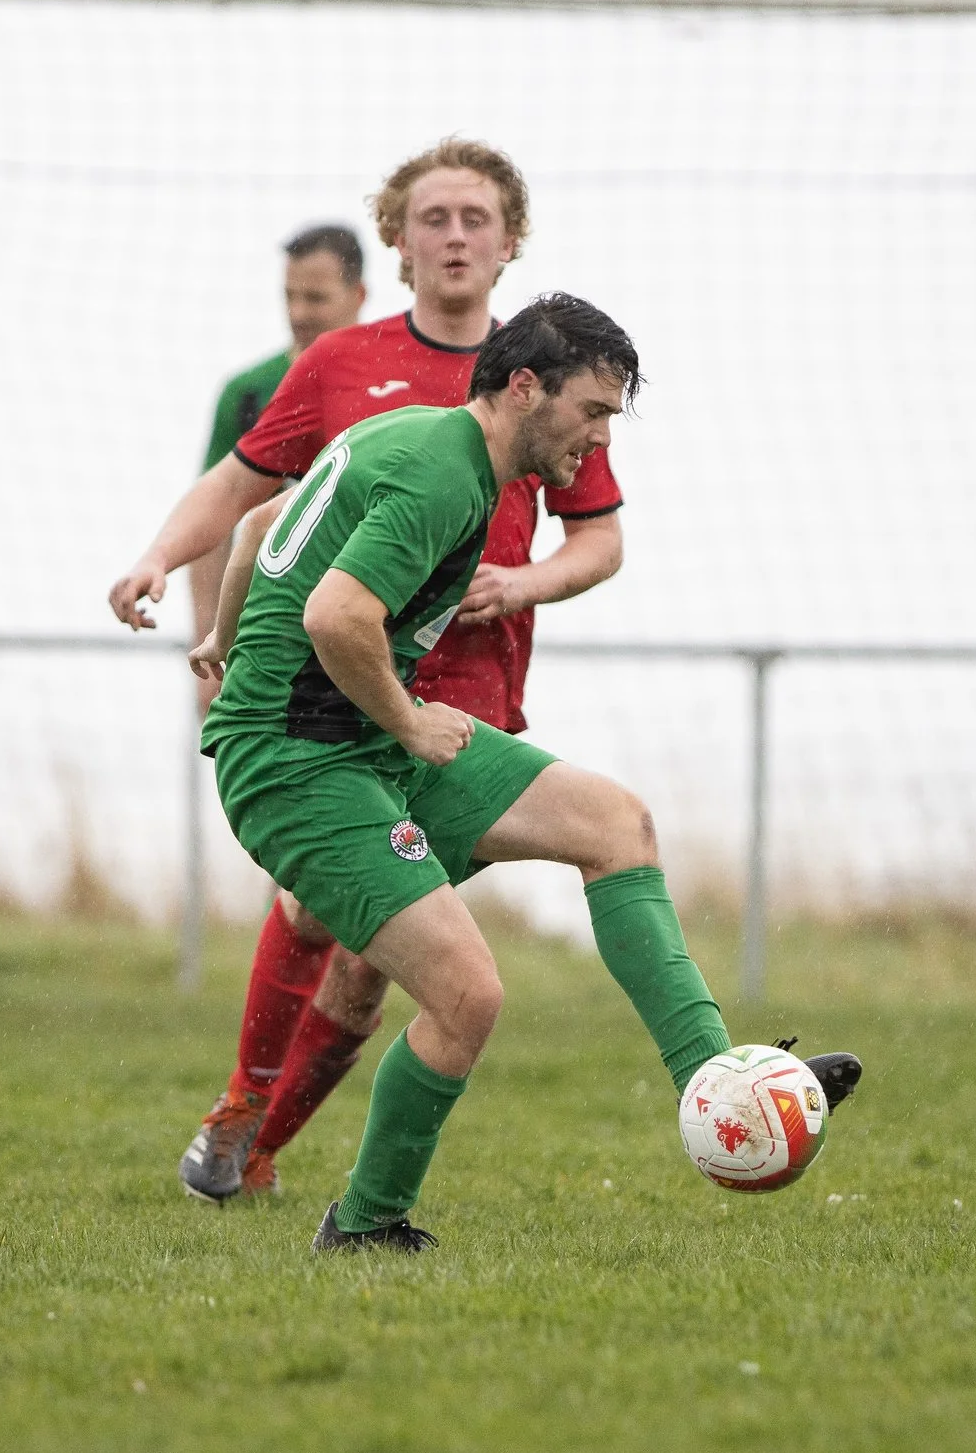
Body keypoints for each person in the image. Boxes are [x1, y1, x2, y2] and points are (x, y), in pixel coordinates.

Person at [185, 294, 858, 1251]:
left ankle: (721, 1085)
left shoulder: (427, 441)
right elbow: (336, 618)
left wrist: (222, 634)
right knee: (468, 996)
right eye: (593, 412)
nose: (600, 436)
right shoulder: (441, 477)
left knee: (614, 824)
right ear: (526, 387)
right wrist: (412, 721)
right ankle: (365, 1227)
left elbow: (260, 529)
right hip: (297, 762)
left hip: (358, 739)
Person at [113, 139, 629, 1204]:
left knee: (371, 959)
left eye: (474, 218)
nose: (453, 235)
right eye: (431, 216)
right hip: (339, 693)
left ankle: (263, 1147)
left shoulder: (556, 381)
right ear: (395, 241)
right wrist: (164, 562)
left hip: (466, 697)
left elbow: (600, 538)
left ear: (510, 242)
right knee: (320, 907)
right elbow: (250, 495)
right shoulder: (340, 366)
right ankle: (246, 1110)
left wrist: (519, 585)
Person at [186, 224, 368, 713]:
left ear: (359, 295)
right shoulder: (247, 392)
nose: (298, 313)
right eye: (289, 296)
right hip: (266, 636)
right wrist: (209, 633)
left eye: (315, 298)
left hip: (367, 630)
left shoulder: (388, 389)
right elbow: (215, 522)